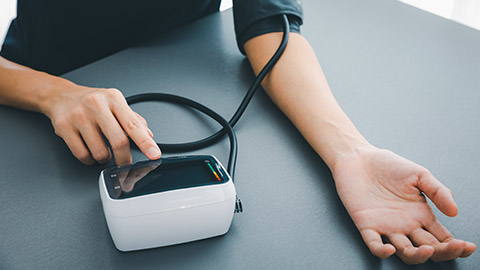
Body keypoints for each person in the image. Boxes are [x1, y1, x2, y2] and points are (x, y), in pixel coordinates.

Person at [0, 0, 476, 264]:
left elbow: (270, 28)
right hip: (27, 95)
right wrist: (49, 93)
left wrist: (350, 152)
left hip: (191, 52)